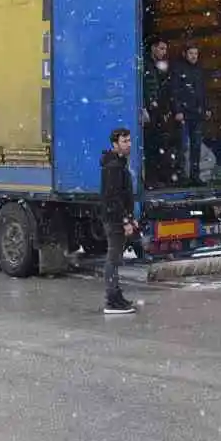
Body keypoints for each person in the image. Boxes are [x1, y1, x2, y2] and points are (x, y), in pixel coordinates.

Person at [99, 128, 139, 315]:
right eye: (124, 141)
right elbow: (113, 198)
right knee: (113, 259)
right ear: (115, 144)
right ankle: (112, 300)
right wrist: (125, 220)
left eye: (129, 140)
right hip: (114, 220)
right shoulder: (113, 167)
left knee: (115, 258)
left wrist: (131, 218)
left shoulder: (119, 163)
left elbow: (123, 196)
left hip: (118, 218)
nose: (128, 144)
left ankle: (116, 296)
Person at [169, 41, 210, 185]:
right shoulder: (178, 69)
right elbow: (174, 91)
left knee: (196, 146)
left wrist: (206, 108)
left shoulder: (199, 69)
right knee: (182, 146)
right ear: (185, 54)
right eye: (191, 53)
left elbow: (203, 91)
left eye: (196, 54)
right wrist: (178, 110)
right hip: (184, 114)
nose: (194, 56)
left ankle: (194, 175)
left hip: (197, 114)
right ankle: (180, 176)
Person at [141, 39, 176, 187]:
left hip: (159, 111)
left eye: (165, 49)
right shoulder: (146, 64)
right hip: (151, 110)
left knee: (160, 144)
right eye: (161, 48)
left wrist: (166, 108)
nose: (164, 52)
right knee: (150, 145)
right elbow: (146, 86)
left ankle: (160, 178)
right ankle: (151, 179)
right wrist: (148, 104)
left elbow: (166, 88)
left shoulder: (161, 66)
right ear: (153, 48)